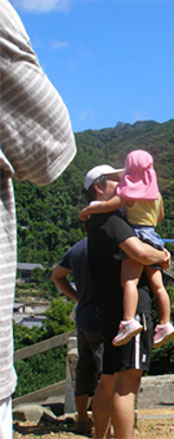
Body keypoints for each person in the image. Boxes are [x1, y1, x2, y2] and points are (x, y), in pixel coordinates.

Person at [0, 1, 77, 436]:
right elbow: (48, 150)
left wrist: (77, 299)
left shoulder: (85, 242)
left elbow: (57, 276)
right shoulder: (127, 236)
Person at [83, 164, 170, 439]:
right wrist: (163, 256)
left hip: (110, 311)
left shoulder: (96, 220)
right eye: (115, 179)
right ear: (99, 187)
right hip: (129, 312)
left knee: (108, 380)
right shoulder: (111, 220)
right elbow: (139, 252)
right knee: (126, 384)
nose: (122, 183)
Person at [80, 150, 174, 348]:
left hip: (139, 236)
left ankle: (128, 321)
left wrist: (89, 209)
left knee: (129, 282)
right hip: (154, 237)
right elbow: (159, 217)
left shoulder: (128, 192)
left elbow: (109, 206)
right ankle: (166, 323)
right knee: (158, 286)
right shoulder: (156, 194)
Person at [51, 238, 104, 434]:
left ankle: (82, 418)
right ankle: (102, 423)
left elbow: (57, 276)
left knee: (84, 368)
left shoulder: (76, 249)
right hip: (104, 319)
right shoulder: (112, 244)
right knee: (106, 374)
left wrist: (78, 297)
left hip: (84, 317)